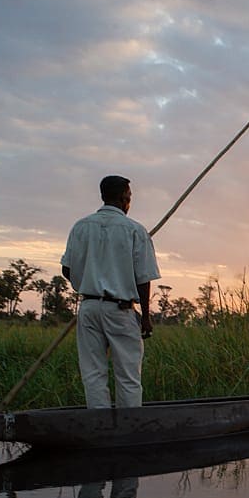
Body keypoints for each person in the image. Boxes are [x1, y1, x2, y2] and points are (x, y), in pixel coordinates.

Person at [61, 175, 160, 409]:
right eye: (129, 195)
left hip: (89, 308)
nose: (130, 199)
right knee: (128, 375)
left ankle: (100, 428)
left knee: (93, 374)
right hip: (121, 310)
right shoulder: (134, 230)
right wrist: (145, 317)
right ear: (124, 197)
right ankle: (128, 429)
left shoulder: (81, 227)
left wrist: (87, 281)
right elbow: (143, 279)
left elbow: (67, 269)